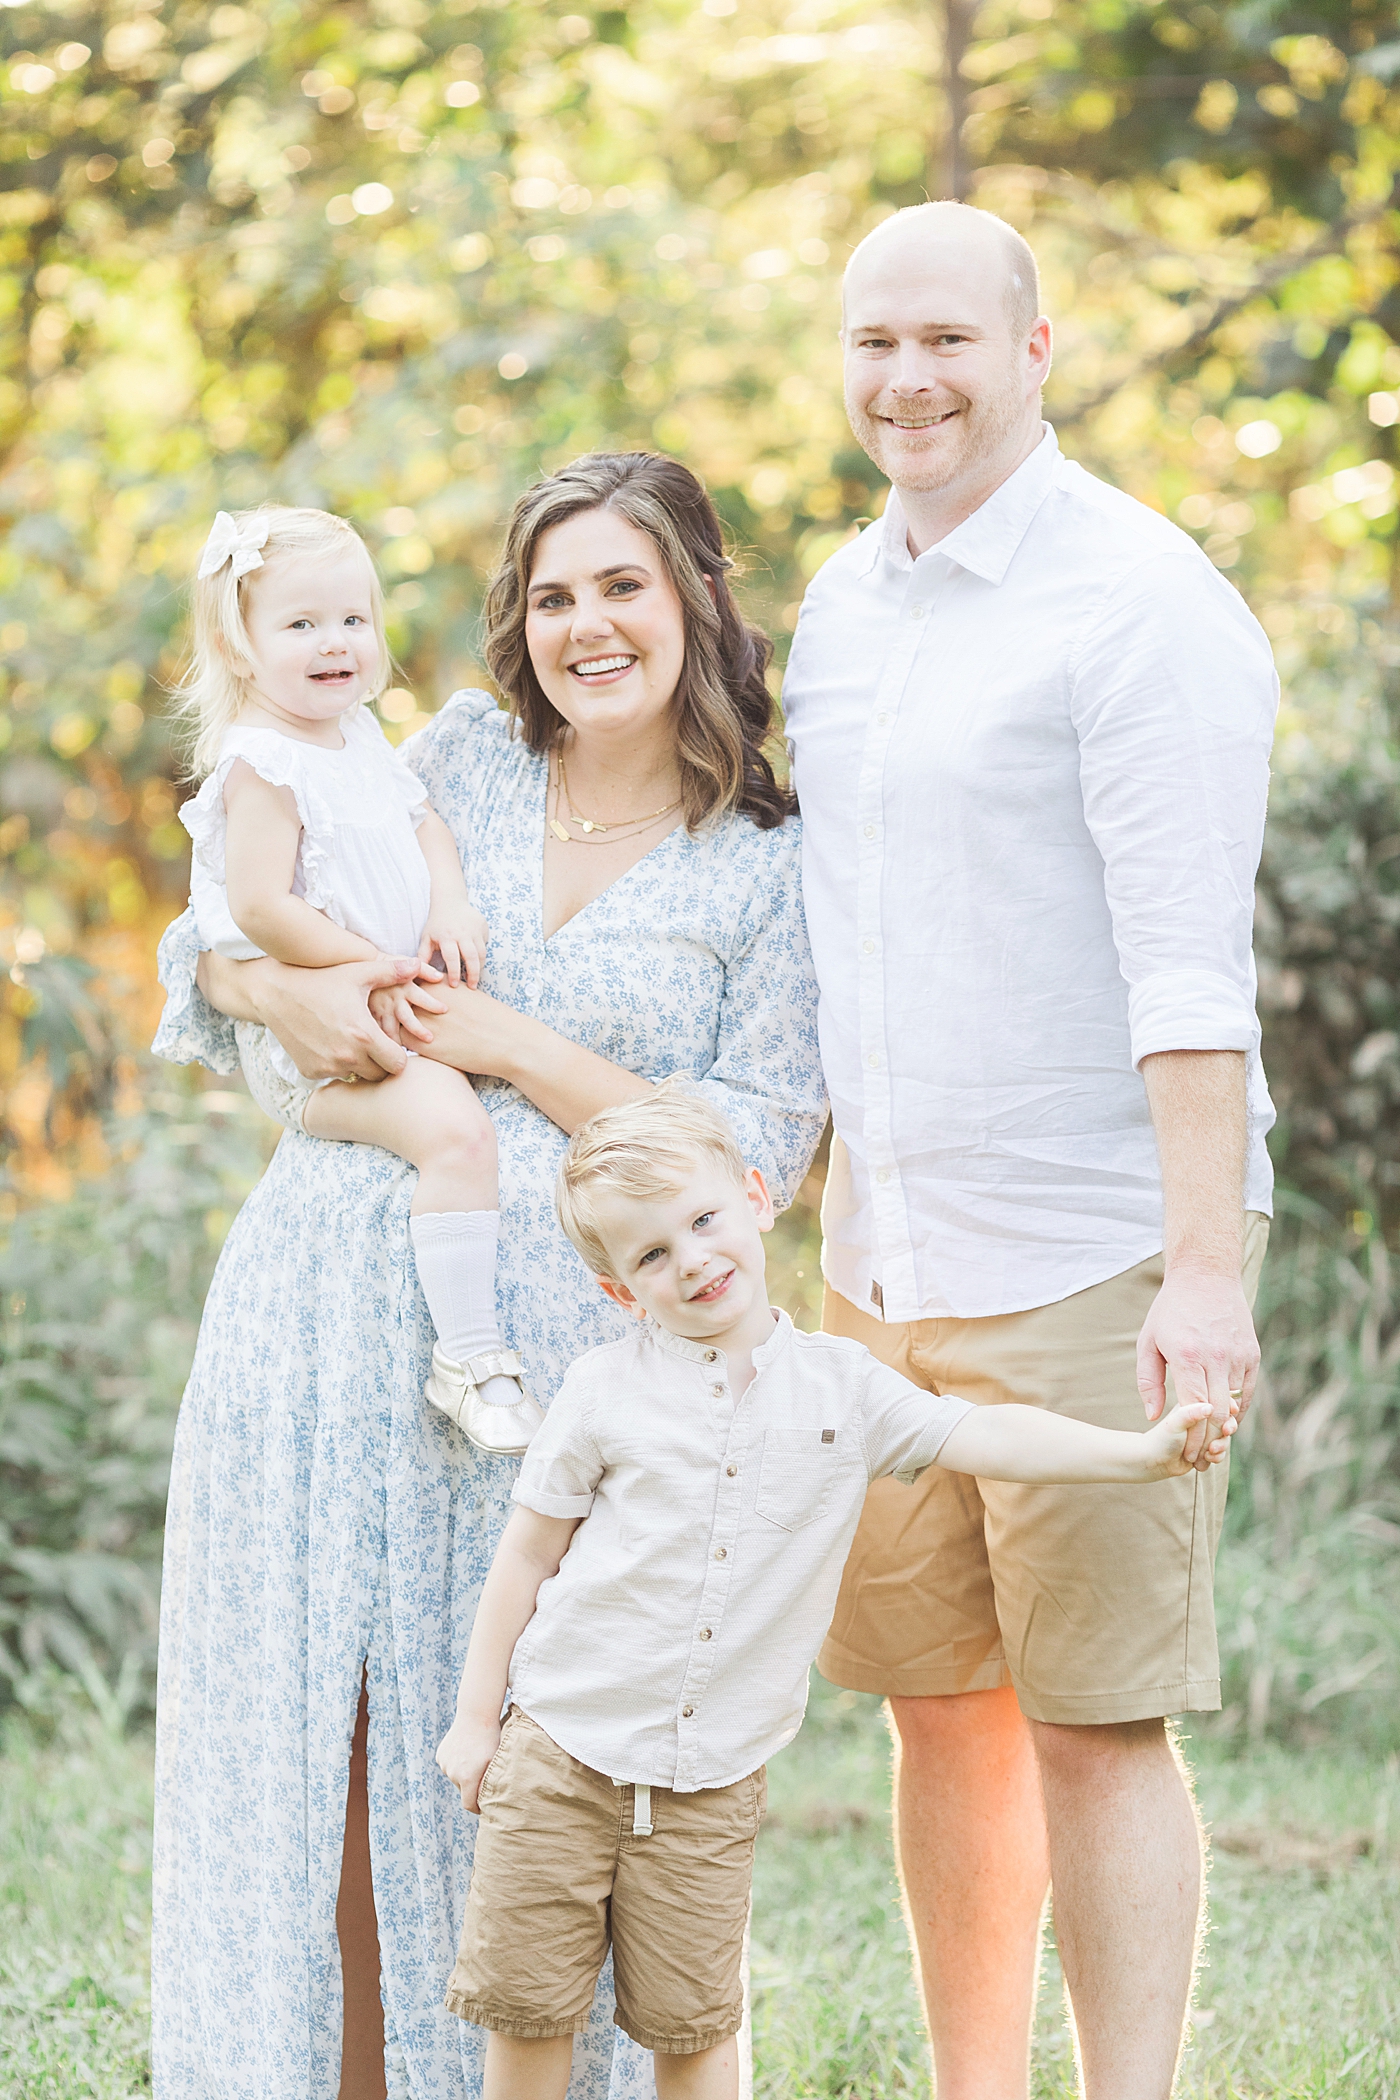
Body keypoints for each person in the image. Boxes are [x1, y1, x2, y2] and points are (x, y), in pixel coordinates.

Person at [150, 452, 827, 2100]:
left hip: (567, 1392)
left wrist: (520, 1047)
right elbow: (220, 951)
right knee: (330, 1763)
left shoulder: (763, 860)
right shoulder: (442, 754)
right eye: (552, 594)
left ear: (693, 602)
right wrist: (267, 994)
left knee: (531, 1788)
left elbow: (752, 1161)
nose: (586, 625)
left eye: (622, 586)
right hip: (317, 1318)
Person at [781, 200, 1278, 2100]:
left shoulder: (1140, 604)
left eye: (948, 342)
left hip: (1090, 1253)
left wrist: (1205, 1275)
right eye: (875, 344)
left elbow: (1186, 968)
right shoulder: (843, 602)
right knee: (937, 1715)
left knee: (1097, 1722)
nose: (908, 380)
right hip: (881, 1265)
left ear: (1037, 347)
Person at [433, 1089, 1236, 2100]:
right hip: (560, 1753)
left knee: (693, 2024)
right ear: (618, 1294)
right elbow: (525, 1560)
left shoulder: (842, 1390)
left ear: (758, 1197)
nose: (689, 1259)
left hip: (707, 1782)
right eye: (648, 1256)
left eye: (702, 1220)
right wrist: (475, 1723)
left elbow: (981, 1434)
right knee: (530, 2013)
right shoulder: (602, 1393)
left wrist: (1137, 1455)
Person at [177, 502, 538, 1453]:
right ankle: (469, 1358)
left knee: (461, 1110)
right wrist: (363, 967)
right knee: (455, 1130)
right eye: (300, 624)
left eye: (352, 620)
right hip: (320, 1041)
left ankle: (471, 1351)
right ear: (239, 643)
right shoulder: (263, 763)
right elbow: (258, 907)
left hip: (374, 999)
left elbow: (425, 824)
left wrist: (452, 906)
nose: (335, 643)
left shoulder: (358, 736)